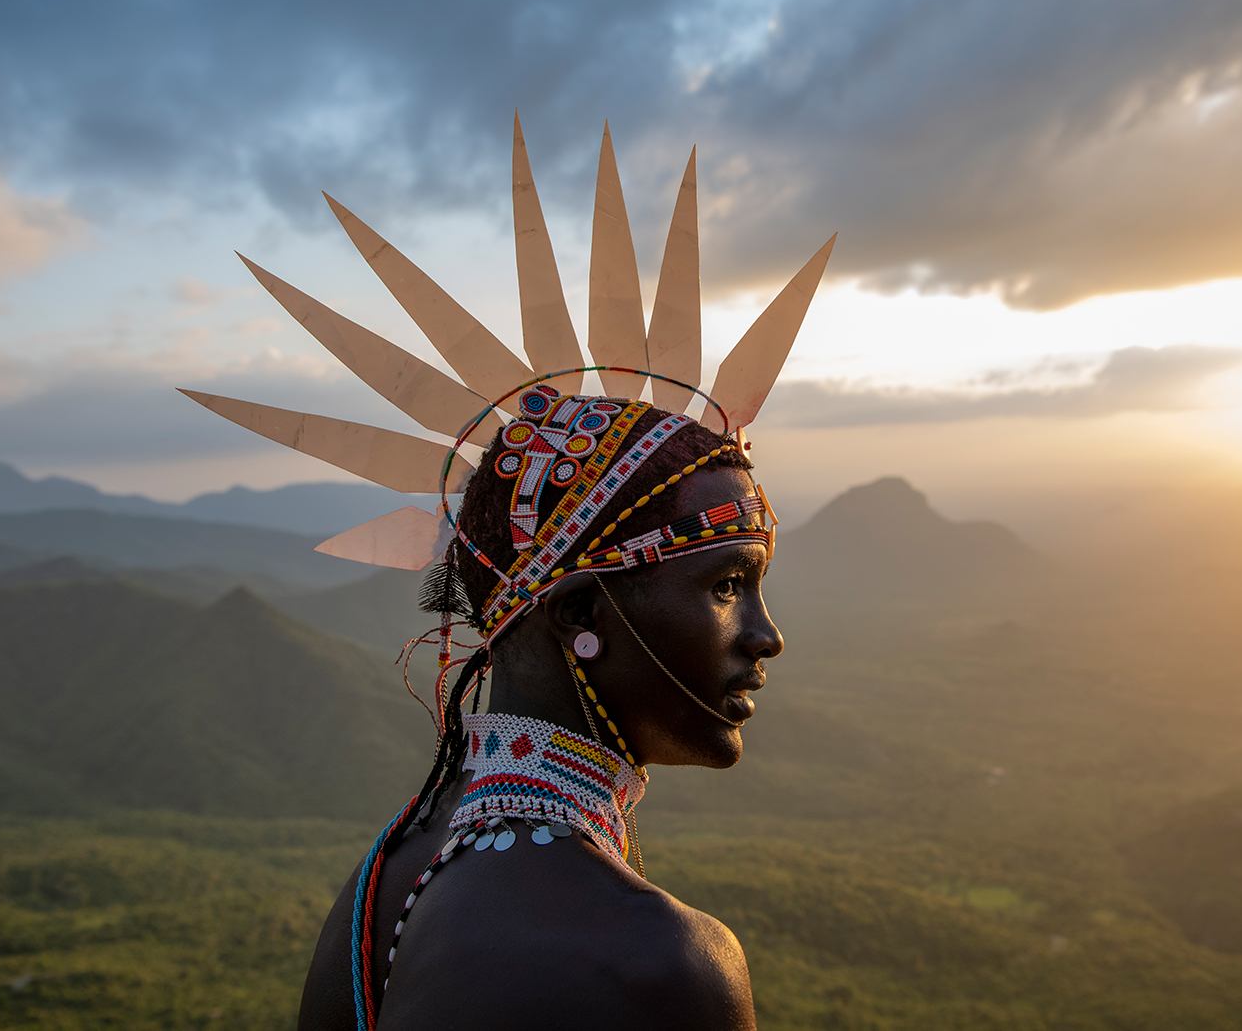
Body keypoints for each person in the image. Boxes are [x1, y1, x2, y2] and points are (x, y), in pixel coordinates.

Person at [181, 115, 833, 1030]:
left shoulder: (380, 892)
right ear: (576, 615)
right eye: (726, 585)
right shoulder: (665, 968)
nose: (767, 634)